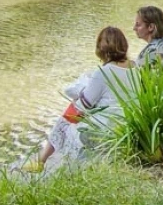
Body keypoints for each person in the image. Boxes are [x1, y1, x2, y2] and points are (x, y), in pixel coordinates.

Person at [22, 26, 135, 174]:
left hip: (107, 126)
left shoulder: (104, 71)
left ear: (102, 48)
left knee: (70, 112)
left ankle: (41, 161)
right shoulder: (135, 67)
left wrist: (79, 94)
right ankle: (42, 160)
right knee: (75, 109)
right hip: (126, 124)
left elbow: (84, 105)